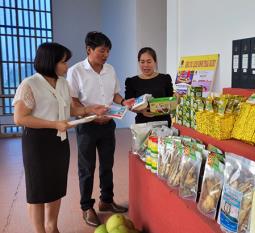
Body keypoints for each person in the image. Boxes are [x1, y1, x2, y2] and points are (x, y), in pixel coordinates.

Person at [13, 42, 107, 233]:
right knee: (37, 190)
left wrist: (89, 109)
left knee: (56, 187)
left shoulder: (63, 83)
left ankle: (52, 226)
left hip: (60, 141)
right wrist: (54, 124)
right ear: (50, 62)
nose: (66, 66)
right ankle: (40, 230)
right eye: (64, 62)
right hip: (37, 143)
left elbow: (69, 109)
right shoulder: (30, 84)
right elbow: (20, 118)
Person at [67, 31, 134, 227]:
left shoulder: (110, 70)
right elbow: (73, 100)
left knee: (107, 164)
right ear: (89, 50)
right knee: (87, 168)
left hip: (108, 124)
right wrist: (89, 114)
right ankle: (87, 207)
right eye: (102, 51)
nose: (106, 55)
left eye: (108, 51)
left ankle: (106, 200)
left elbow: (114, 94)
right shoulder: (76, 71)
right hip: (87, 125)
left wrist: (123, 101)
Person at [125, 47, 174, 126]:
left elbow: (171, 99)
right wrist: (141, 111)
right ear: (139, 63)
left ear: (155, 62)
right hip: (142, 125)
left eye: (149, 61)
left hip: (163, 124)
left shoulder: (165, 78)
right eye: (142, 62)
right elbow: (129, 105)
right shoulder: (131, 81)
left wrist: (177, 98)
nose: (145, 65)